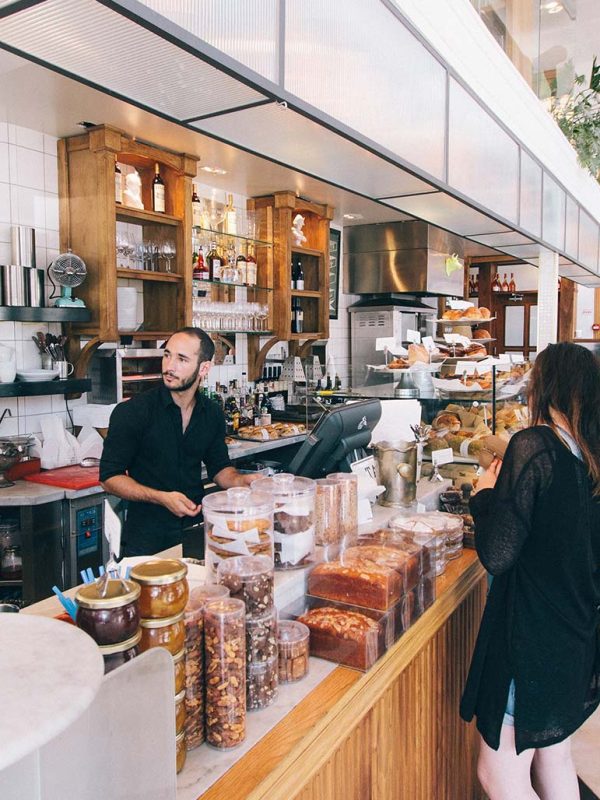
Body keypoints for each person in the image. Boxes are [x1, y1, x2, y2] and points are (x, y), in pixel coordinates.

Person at [460, 342, 600, 800]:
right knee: (554, 757)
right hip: (576, 634)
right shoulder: (589, 454)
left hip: (532, 639)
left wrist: (483, 495)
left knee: (498, 775)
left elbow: (498, 554)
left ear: (546, 387)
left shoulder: (535, 446)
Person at [100, 327, 258, 556]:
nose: (169, 366)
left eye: (181, 359)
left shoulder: (211, 413)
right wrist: (161, 498)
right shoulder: (133, 412)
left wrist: (242, 481)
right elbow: (109, 478)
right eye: (167, 355)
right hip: (146, 541)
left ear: (204, 368)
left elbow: (219, 468)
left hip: (195, 533)